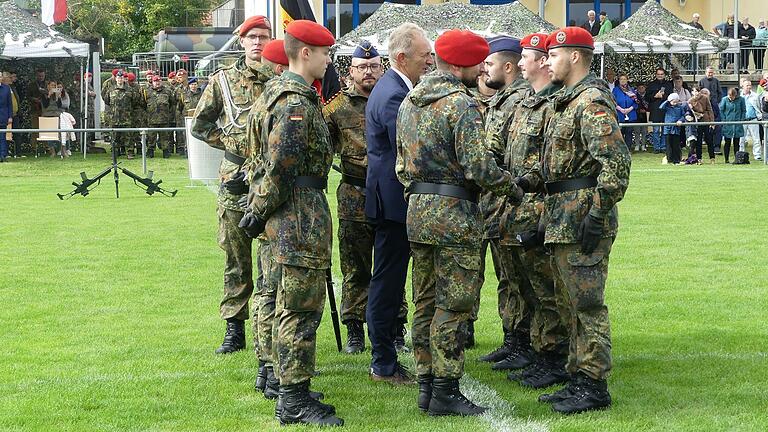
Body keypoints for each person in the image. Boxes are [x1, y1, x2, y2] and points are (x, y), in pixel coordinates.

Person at [396, 28, 524, 417]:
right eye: (478, 63)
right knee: (454, 305)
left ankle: (425, 384)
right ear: (460, 64)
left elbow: (401, 165)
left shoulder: (410, 102)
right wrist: (511, 186)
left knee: (425, 301)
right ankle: (447, 389)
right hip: (455, 216)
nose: (482, 71)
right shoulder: (461, 105)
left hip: (418, 212)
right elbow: (479, 166)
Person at [239, 19, 344, 427]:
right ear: (306, 53)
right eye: (324, 54)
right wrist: (262, 207)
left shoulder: (274, 93)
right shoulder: (296, 102)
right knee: (299, 309)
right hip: (297, 214)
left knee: (279, 300)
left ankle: (283, 382)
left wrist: (259, 208)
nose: (328, 61)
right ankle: (294, 398)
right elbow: (282, 166)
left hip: (286, 213)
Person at [538, 26, 631, 414]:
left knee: (587, 304)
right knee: (569, 303)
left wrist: (598, 210)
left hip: (581, 216)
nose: (547, 62)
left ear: (574, 57)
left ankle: (594, 386)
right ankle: (578, 376)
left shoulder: (590, 100)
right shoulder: (567, 101)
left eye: (554, 56)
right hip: (563, 214)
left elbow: (616, 163)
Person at [191, 15, 274, 355]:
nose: (257, 42)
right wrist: (231, 143)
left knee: (273, 258)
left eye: (264, 36)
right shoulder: (223, 80)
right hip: (236, 180)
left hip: (271, 181)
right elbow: (200, 124)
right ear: (241, 41)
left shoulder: (283, 77)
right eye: (252, 36)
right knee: (236, 258)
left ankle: (270, 330)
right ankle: (234, 329)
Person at [500, 32, 570, 390]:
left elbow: (551, 163)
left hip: (542, 208)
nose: (521, 62)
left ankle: (553, 357)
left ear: (543, 60)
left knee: (547, 290)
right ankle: (538, 351)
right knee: (527, 286)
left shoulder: (554, 104)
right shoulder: (527, 102)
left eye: (527, 56)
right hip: (520, 206)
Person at [364, 22, 433, 385]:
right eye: (424, 55)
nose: (430, 61)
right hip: (393, 205)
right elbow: (410, 149)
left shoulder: (395, 87)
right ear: (402, 57)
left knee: (389, 281)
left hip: (392, 201)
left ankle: (386, 355)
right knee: (388, 283)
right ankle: (383, 363)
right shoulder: (393, 94)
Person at [324, 41, 396, 356]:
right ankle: (354, 327)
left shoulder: (396, 99)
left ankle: (395, 326)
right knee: (355, 266)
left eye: (374, 66)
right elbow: (322, 150)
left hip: (390, 193)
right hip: (354, 195)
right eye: (362, 67)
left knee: (391, 265)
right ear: (351, 71)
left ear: (383, 68)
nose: (368, 71)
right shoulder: (336, 108)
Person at [476, 36, 534, 371]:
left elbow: (509, 155)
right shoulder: (503, 99)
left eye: (490, 64)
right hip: (497, 202)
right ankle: (512, 337)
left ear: (508, 67)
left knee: (519, 276)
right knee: (506, 276)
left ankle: (524, 341)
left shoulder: (521, 100)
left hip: (512, 200)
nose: (485, 69)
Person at [103, 71, 139, 159]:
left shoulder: (130, 90)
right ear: (116, 79)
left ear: (124, 79)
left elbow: (134, 101)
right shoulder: (111, 90)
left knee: (128, 137)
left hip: (126, 117)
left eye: (121, 78)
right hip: (114, 117)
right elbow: (107, 101)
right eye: (118, 78)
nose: (120, 79)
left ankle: (130, 152)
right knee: (115, 137)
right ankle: (114, 153)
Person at [144, 75, 177, 158]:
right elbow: (143, 103)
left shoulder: (167, 91)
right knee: (151, 136)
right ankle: (150, 151)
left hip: (164, 118)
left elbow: (172, 102)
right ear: (152, 82)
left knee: (165, 136)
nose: (157, 83)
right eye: (155, 81)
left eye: (159, 81)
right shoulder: (147, 92)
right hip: (151, 118)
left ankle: (165, 151)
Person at [646, 68, 673, 153]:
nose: (660, 76)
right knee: (656, 130)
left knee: (665, 130)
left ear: (664, 75)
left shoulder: (668, 85)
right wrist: (655, 96)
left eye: (661, 74)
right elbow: (647, 97)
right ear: (656, 75)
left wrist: (663, 96)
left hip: (666, 110)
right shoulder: (651, 85)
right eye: (658, 74)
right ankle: (656, 147)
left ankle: (663, 147)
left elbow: (671, 97)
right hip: (655, 111)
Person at [687, 88, 716, 163]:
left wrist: (712, 122)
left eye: (697, 91)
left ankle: (712, 158)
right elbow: (690, 112)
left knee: (709, 140)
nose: (696, 93)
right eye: (694, 91)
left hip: (706, 121)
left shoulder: (705, 98)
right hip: (697, 122)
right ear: (692, 92)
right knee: (698, 141)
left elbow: (710, 110)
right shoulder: (690, 101)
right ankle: (699, 158)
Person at [719, 87, 746, 163]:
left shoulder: (741, 100)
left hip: (737, 124)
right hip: (728, 124)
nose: (731, 98)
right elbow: (721, 110)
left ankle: (736, 159)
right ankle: (726, 159)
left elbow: (743, 110)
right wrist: (724, 120)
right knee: (727, 142)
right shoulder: (724, 99)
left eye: (732, 97)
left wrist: (741, 119)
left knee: (736, 142)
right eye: (730, 97)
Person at [659, 93, 687, 165]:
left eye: (676, 101)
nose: (675, 103)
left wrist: (680, 120)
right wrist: (667, 101)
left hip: (676, 129)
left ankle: (677, 160)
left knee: (676, 145)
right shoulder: (667, 107)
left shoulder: (680, 107)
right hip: (667, 129)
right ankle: (669, 159)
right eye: (673, 101)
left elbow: (683, 116)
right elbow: (661, 107)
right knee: (668, 145)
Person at [612, 74, 638, 149]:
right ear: (619, 81)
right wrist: (621, 109)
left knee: (629, 132)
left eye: (624, 79)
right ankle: (621, 149)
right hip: (620, 114)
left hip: (631, 114)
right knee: (620, 133)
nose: (623, 81)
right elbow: (613, 101)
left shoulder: (631, 90)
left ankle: (628, 149)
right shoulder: (615, 90)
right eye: (621, 79)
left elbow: (636, 102)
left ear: (627, 80)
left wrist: (629, 109)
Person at [740, 79, 762, 160]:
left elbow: (759, 106)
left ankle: (757, 155)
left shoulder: (755, 96)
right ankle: (741, 154)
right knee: (741, 138)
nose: (749, 87)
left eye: (750, 85)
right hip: (742, 120)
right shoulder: (739, 96)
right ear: (743, 86)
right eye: (747, 85)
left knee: (756, 138)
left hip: (753, 119)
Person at [27, 69, 46, 152]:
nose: (41, 77)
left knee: (45, 128)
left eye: (42, 76)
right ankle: (34, 147)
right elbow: (27, 97)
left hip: (45, 109)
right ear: (36, 76)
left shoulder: (47, 84)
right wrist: (34, 99)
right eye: (39, 76)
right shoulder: (31, 85)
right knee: (35, 128)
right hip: (35, 109)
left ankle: (47, 147)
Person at [633, 83, 650, 151]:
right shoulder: (635, 96)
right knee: (636, 131)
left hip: (645, 115)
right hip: (637, 115)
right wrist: (638, 110)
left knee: (644, 131)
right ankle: (637, 145)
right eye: (639, 88)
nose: (641, 89)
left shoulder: (648, 95)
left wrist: (646, 110)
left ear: (645, 88)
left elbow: (650, 104)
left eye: (642, 87)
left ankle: (643, 145)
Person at [0, 71, 11, 162]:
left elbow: (9, 104)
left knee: (2, 136)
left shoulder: (6, 88)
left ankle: (2, 156)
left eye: (0, 77)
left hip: (3, 116)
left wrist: (10, 116)